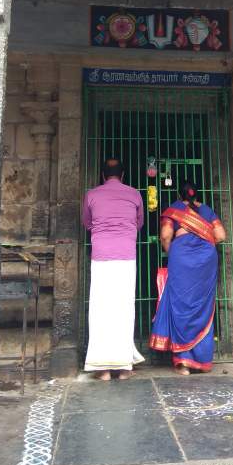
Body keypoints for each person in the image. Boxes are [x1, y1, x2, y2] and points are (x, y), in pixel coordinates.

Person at [149, 182, 226, 375]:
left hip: (181, 259)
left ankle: (183, 362)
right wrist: (203, 243)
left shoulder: (174, 210)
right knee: (203, 306)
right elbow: (221, 235)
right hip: (206, 261)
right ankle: (202, 360)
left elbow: (166, 236)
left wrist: (173, 252)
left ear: (179, 194)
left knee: (181, 304)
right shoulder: (207, 210)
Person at [82, 158, 145, 381]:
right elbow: (139, 223)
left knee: (100, 309)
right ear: (124, 175)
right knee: (124, 308)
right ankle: (125, 367)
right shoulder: (135, 194)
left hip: (101, 255)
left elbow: (87, 223)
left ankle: (103, 369)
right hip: (126, 255)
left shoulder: (91, 194)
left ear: (102, 175)